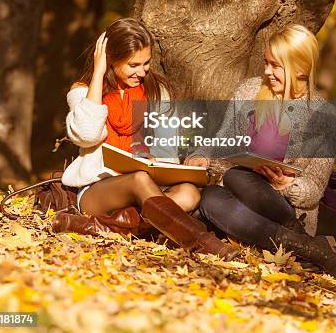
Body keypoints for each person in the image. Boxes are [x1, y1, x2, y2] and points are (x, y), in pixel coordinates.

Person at [53, 18, 238, 260]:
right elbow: (86, 136)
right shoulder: (83, 92)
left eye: (146, 63)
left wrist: (158, 162)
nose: (142, 71)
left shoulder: (155, 92)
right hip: (98, 190)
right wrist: (98, 74)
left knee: (189, 193)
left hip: (149, 189)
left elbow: (166, 151)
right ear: (111, 59)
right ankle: (203, 242)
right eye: (133, 65)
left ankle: (105, 227)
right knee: (138, 178)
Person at [186, 25, 336, 277]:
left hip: (283, 205)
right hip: (237, 198)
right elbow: (222, 141)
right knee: (210, 198)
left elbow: (315, 189)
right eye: (266, 62)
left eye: (276, 65)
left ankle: (296, 235)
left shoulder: (325, 116)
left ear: (302, 68)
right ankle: (309, 247)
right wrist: (201, 156)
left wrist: (287, 184)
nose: (267, 71)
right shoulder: (249, 91)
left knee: (236, 176)